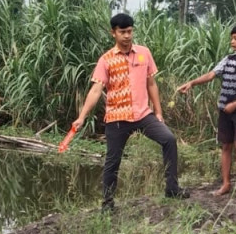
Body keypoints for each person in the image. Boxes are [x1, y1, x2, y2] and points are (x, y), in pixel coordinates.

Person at [72, 13, 189, 211]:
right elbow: (95, 89)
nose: (127, 36)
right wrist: (82, 117)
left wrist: (158, 113)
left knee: (168, 139)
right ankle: (107, 203)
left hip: (143, 114)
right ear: (113, 33)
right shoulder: (106, 60)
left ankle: (172, 188)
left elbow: (151, 83)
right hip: (117, 117)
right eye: (122, 32)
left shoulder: (143, 53)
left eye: (130, 31)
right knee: (113, 160)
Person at [176, 24, 236, 196]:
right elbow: (211, 75)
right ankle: (225, 184)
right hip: (224, 109)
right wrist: (192, 83)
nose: (232, 41)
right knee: (226, 145)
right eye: (232, 38)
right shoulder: (228, 59)